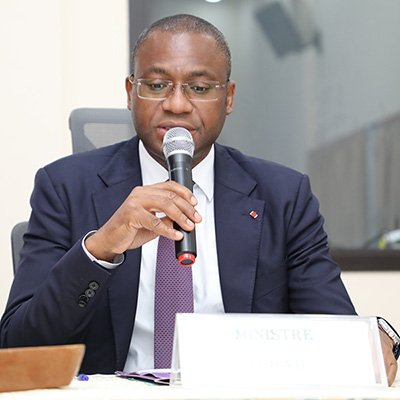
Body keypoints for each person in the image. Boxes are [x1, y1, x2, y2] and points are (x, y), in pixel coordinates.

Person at [1, 14, 398, 384]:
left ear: (228, 98)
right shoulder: (66, 187)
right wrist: (101, 247)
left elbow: (337, 336)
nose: (176, 104)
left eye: (200, 87)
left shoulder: (283, 196)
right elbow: (19, 345)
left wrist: (373, 341)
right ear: (130, 92)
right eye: (156, 85)